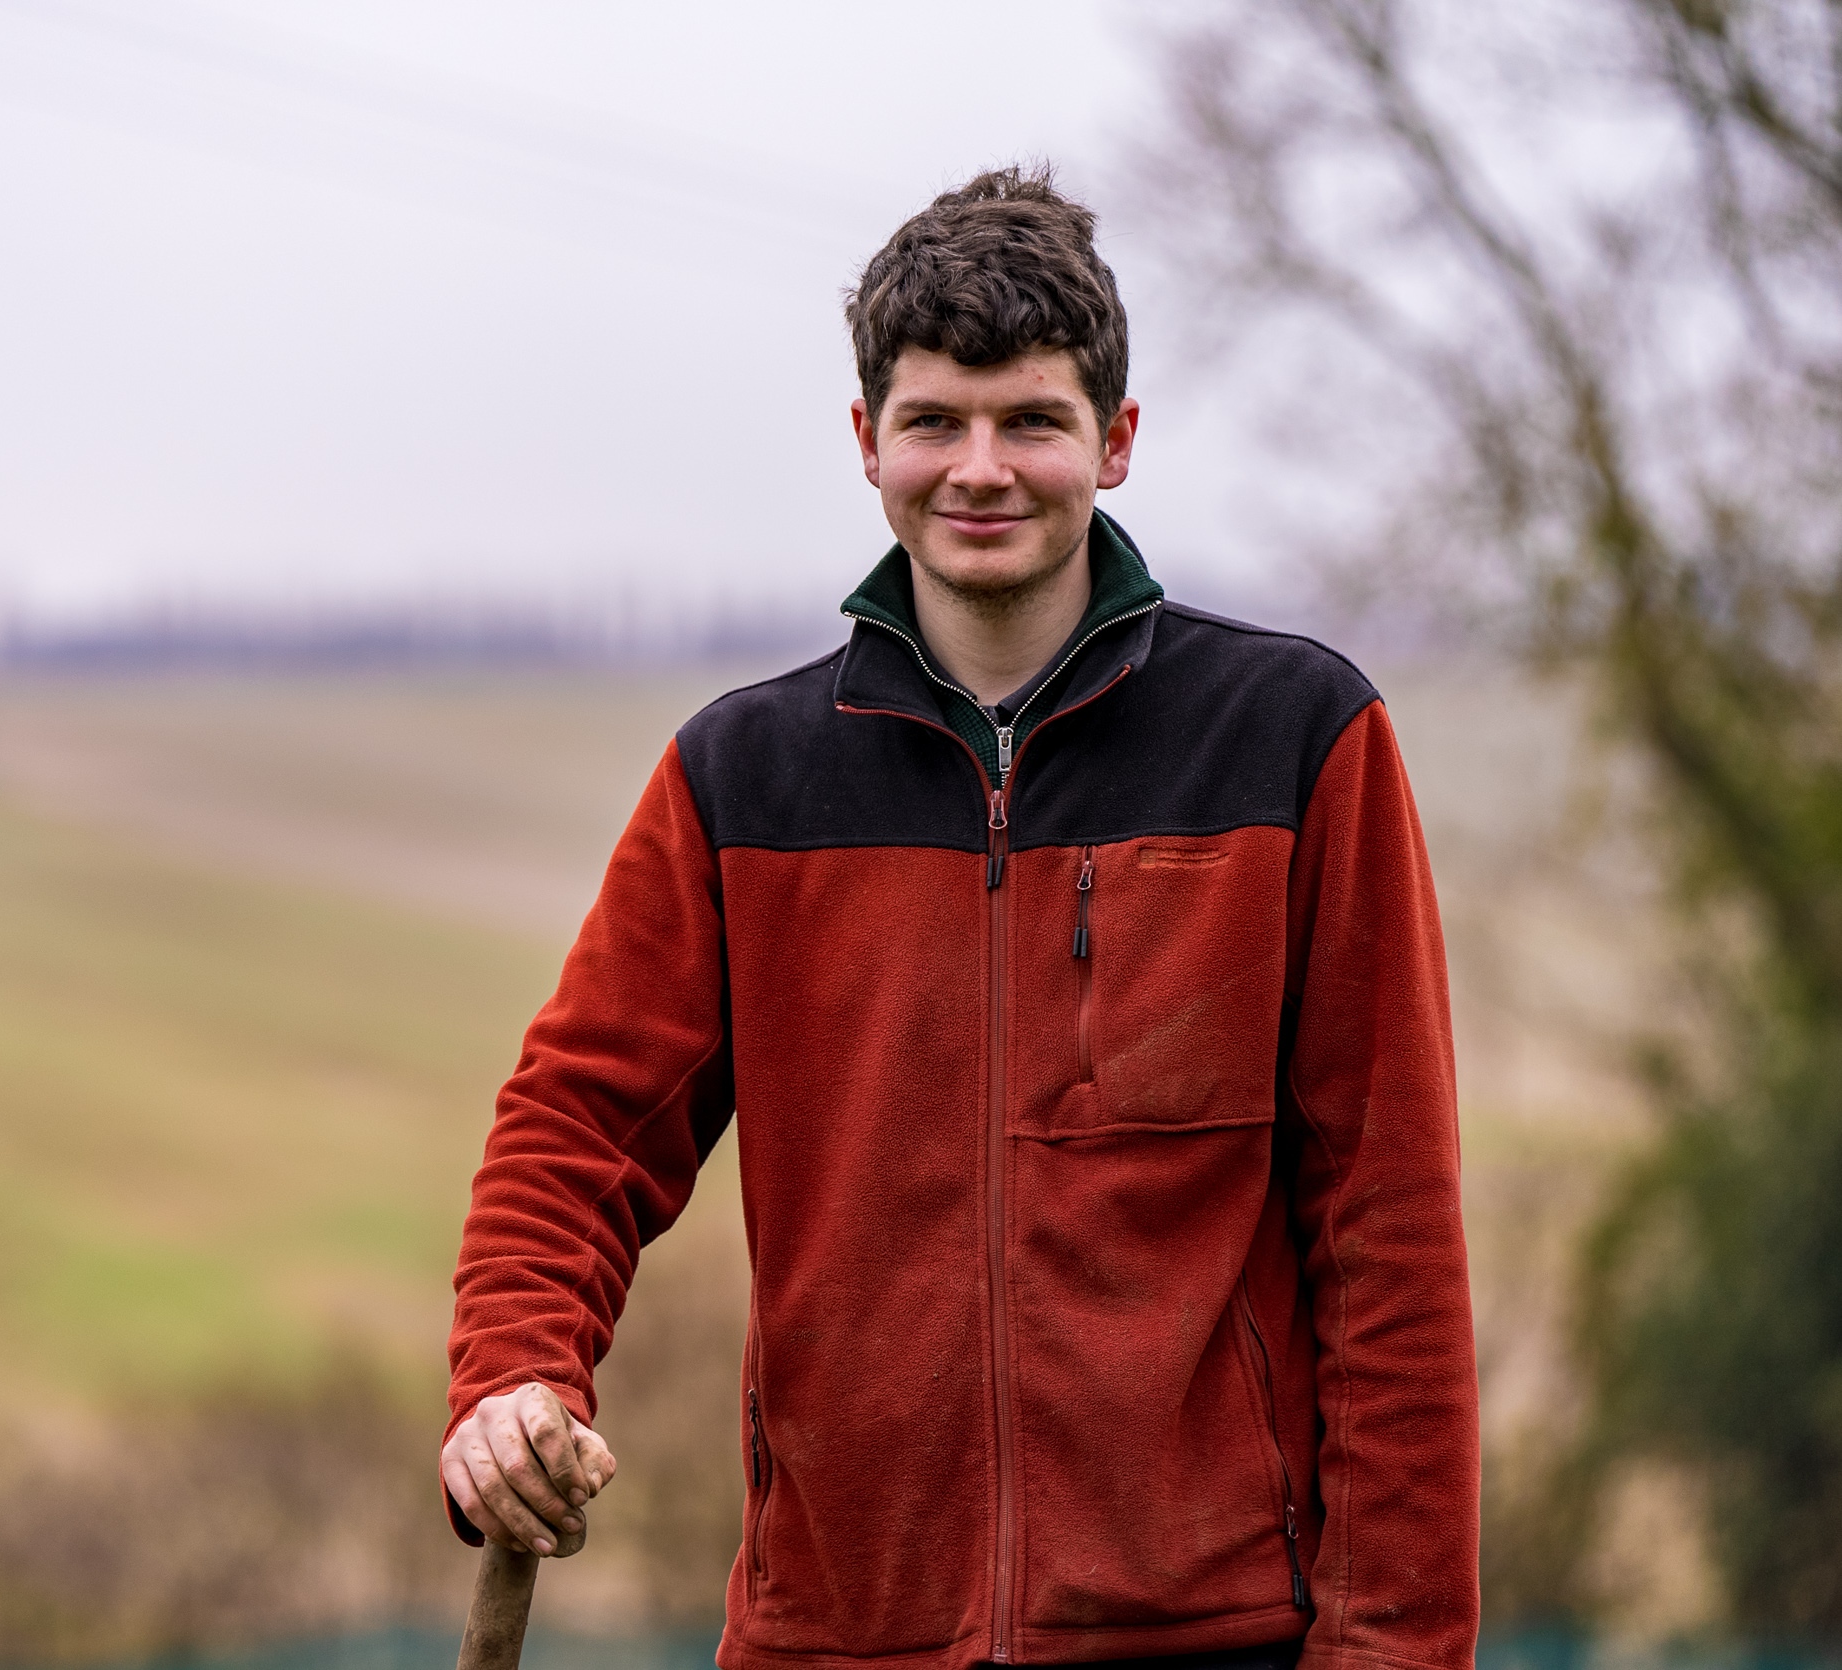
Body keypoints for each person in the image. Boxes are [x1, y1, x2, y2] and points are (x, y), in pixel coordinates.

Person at [439, 166, 1477, 1670]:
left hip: (1212, 1637)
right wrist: (512, 1374)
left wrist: (1392, 1651)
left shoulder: (1296, 740)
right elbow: (575, 1124)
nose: (980, 468)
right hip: (836, 1636)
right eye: (935, 421)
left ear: (1114, 443)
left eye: (1032, 421)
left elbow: (1389, 1234)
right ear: (868, 444)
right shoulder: (743, 777)